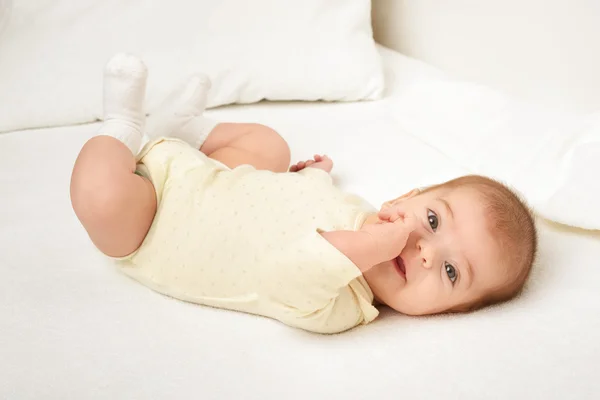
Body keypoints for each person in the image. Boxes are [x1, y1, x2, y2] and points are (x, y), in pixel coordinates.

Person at [70, 54, 537, 334]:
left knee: (101, 199)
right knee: (271, 147)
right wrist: (314, 178)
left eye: (452, 273)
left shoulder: (343, 306)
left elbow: (290, 271)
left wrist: (372, 246)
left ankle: (123, 128)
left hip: (150, 225)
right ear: (405, 197)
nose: (427, 254)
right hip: (208, 176)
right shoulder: (361, 212)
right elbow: (299, 205)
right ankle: (185, 131)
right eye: (433, 221)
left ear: (443, 313)